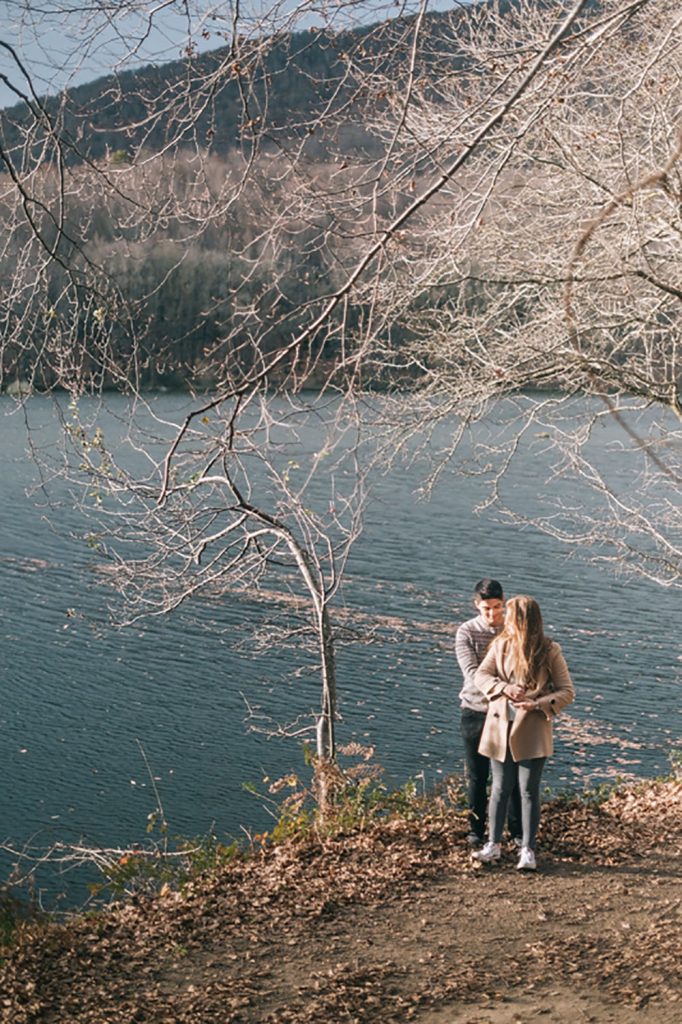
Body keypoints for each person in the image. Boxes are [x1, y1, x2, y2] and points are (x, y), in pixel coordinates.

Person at [472, 595, 575, 871]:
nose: (503, 616)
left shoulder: (549, 650)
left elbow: (567, 691)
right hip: (499, 726)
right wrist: (504, 688)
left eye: (509, 613)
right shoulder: (501, 645)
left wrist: (537, 704)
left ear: (523, 619)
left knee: (528, 791)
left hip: (531, 727)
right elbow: (480, 676)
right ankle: (493, 845)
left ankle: (527, 850)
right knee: (499, 788)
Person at [456, 579, 521, 849]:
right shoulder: (466, 632)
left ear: (503, 603)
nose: (492, 614)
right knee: (477, 776)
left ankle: (516, 831)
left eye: (496, 608)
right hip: (476, 710)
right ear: (476, 606)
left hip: (508, 713)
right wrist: (505, 686)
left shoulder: (512, 630)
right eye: (486, 609)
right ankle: (476, 830)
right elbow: (473, 675)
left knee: (512, 775)